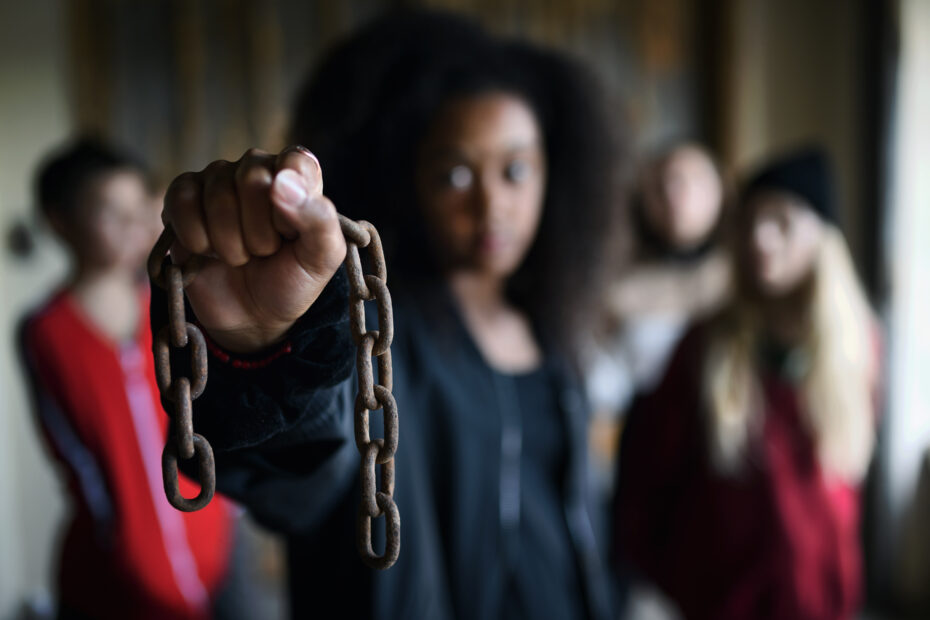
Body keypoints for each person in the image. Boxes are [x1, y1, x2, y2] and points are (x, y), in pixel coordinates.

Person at [153, 10, 622, 619]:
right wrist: (266, 349)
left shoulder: (555, 339)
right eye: (455, 174)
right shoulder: (375, 331)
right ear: (411, 183)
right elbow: (306, 481)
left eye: (515, 170)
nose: (491, 204)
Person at [614, 147, 880, 620]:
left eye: (781, 222)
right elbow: (649, 474)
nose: (761, 238)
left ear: (821, 236)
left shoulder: (859, 348)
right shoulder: (704, 346)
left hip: (818, 598)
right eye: (750, 223)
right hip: (723, 598)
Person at [20, 138, 236, 619]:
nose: (132, 226)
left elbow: (219, 409)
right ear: (60, 221)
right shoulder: (45, 331)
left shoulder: (178, 306)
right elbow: (69, 446)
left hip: (212, 536)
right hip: (112, 557)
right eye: (109, 211)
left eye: (139, 207)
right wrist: (113, 530)